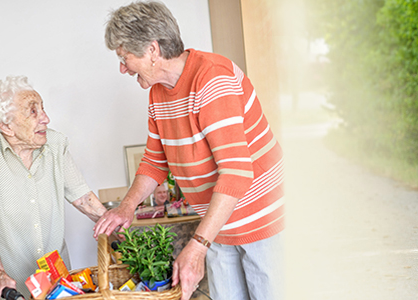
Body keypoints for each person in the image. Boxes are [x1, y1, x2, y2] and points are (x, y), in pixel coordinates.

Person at [93, 2, 286, 300]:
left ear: (152, 50)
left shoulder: (212, 78)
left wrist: (196, 246)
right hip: (218, 225)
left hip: (262, 221)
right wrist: (127, 206)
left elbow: (236, 173)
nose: (122, 68)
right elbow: (155, 162)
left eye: (124, 57)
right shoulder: (159, 92)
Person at [0, 75, 107, 300]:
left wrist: (124, 235)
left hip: (57, 284)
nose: (46, 119)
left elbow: (84, 199)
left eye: (43, 109)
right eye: (33, 111)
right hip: (8, 286)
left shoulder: (56, 143)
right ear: (6, 125)